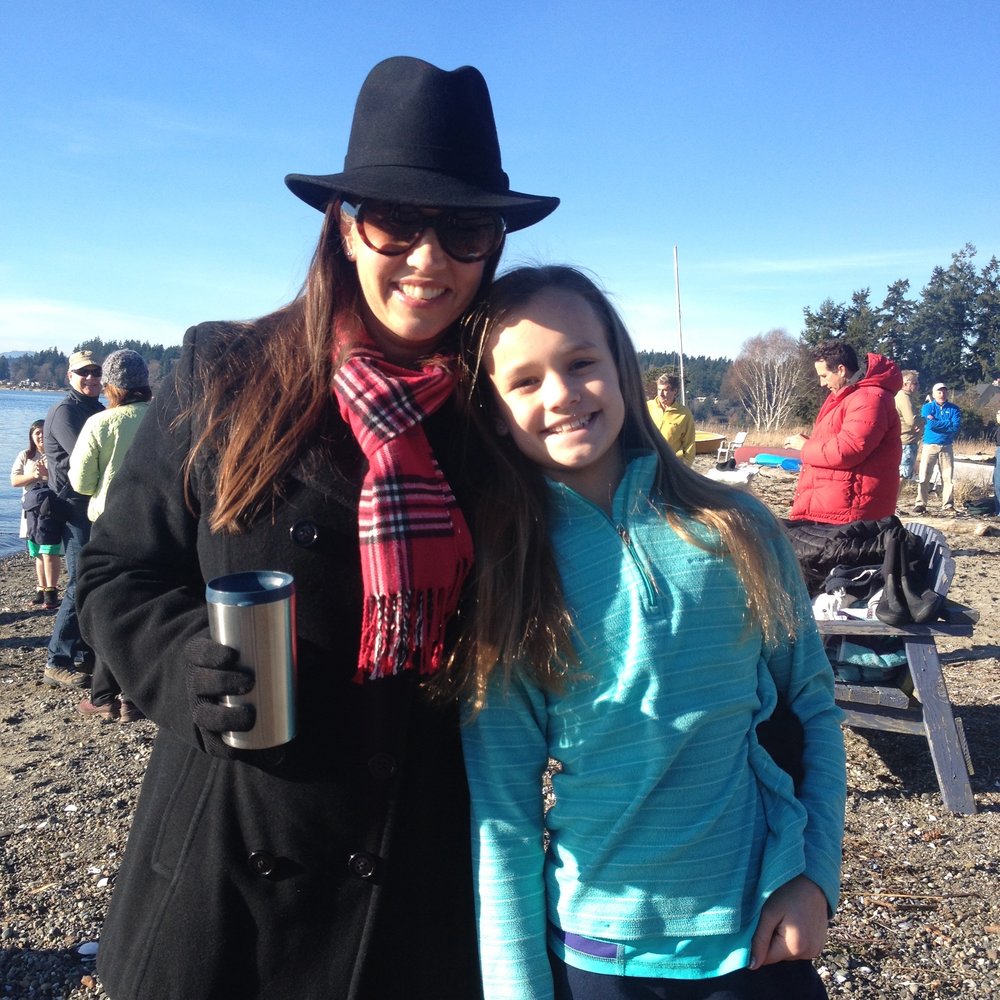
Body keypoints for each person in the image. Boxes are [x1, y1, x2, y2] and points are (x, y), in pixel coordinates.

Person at [76, 56, 557, 1000]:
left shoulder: (500, 414)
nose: (428, 260)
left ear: (494, 243)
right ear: (345, 225)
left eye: (465, 228)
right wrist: (182, 666)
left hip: (418, 877)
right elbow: (114, 575)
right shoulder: (225, 375)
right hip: (228, 864)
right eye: (396, 221)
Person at [455, 266, 845, 1000]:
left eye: (580, 364)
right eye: (526, 381)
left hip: (757, 941)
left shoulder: (738, 530)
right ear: (496, 409)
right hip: (597, 958)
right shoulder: (506, 574)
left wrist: (816, 878)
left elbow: (815, 710)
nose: (562, 395)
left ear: (624, 371)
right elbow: (503, 812)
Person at [70, 350, 152, 723]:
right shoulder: (168, 419)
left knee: (105, 607)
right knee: (150, 605)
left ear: (112, 386)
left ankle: (104, 696)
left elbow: (82, 483)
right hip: (160, 524)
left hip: (110, 526)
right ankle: (135, 697)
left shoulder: (101, 423)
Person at [784, 340, 901, 525]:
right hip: (836, 508)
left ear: (841, 370)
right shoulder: (849, 397)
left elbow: (848, 450)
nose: (822, 383)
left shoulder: (868, 398)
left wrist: (806, 446)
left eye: (824, 375)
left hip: (847, 516)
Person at [43, 349, 104, 688]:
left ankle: (83, 652)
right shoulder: (65, 411)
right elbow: (85, 457)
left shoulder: (97, 409)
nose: (91, 378)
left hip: (93, 506)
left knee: (93, 580)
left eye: (96, 373)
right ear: (70, 376)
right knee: (79, 581)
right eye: (84, 373)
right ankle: (57, 660)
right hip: (71, 509)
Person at [10, 419, 62, 608]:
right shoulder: (26, 455)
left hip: (50, 510)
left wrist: (47, 475)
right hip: (30, 510)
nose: (40, 436)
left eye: (43, 432)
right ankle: (41, 588)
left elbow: (65, 480)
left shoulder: (57, 453)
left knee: (49, 551)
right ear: (31, 436)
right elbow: (14, 480)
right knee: (37, 552)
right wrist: (34, 476)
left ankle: (52, 591)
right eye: (36, 433)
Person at [914, 382, 961, 514]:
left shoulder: (954, 409)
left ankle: (948, 504)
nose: (942, 394)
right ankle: (921, 504)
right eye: (939, 392)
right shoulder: (927, 408)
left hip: (947, 446)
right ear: (934, 394)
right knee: (924, 475)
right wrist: (947, 423)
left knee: (948, 477)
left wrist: (938, 422)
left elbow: (955, 426)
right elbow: (930, 425)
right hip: (930, 445)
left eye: (944, 391)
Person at [645, 372, 695, 464]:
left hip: (669, 465)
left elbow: (689, 445)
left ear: (674, 391)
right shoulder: (646, 407)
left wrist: (684, 467)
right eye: (659, 389)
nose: (661, 394)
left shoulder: (684, 414)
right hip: (646, 461)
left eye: (665, 390)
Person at [894, 370, 923, 500]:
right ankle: (892, 506)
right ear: (905, 384)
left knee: (901, 475)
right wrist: (923, 421)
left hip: (903, 440)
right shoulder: (904, 398)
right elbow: (911, 420)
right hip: (906, 441)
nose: (917, 386)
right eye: (915, 383)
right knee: (902, 475)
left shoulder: (901, 397)